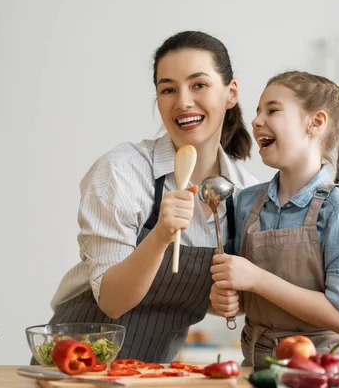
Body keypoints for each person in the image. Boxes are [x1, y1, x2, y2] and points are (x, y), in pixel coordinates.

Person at [44, 31, 259, 363]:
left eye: (198, 85)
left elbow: (216, 299)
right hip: (76, 365)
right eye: (168, 89)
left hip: (155, 372)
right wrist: (160, 235)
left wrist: (231, 300)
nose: (183, 101)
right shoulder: (121, 172)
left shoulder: (246, 195)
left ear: (231, 93)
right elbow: (112, 302)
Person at [209, 70, 339, 369]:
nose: (255, 121)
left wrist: (256, 278)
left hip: (321, 371)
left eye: (273, 110)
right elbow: (246, 294)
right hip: (255, 368)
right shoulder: (246, 202)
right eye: (257, 112)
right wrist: (227, 299)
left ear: (315, 123)